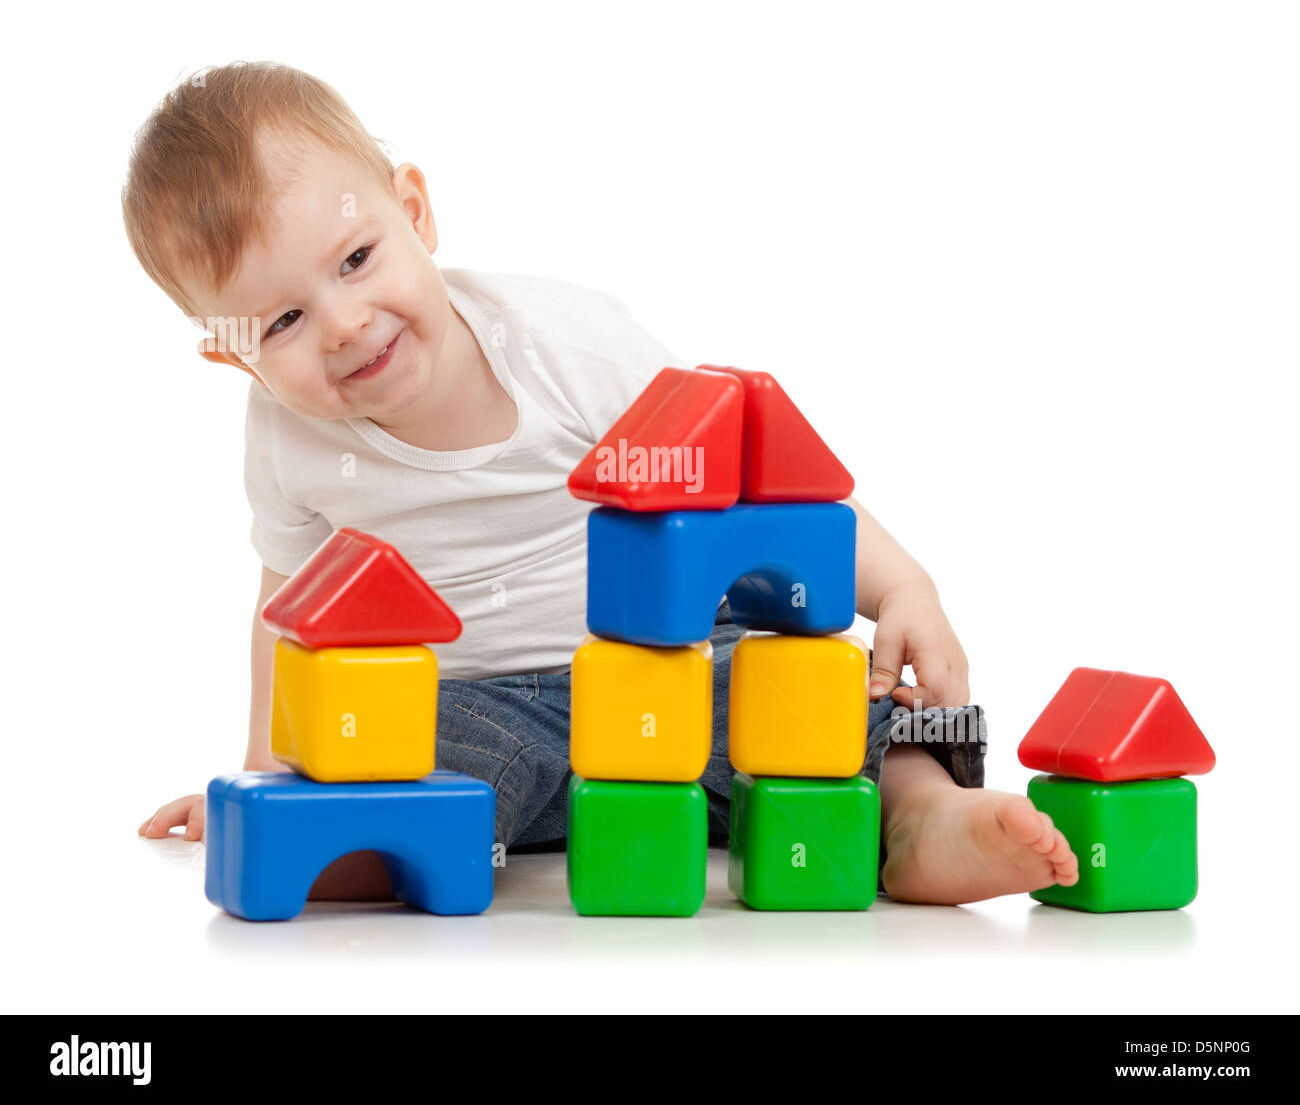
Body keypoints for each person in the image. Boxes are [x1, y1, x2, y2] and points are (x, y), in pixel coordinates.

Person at [124, 62, 1078, 905]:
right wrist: (267, 778)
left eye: (358, 260)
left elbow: (764, 479)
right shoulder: (285, 443)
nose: (342, 322)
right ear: (231, 355)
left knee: (822, 703)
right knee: (392, 768)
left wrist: (904, 586)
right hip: (476, 708)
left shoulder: (566, 350)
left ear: (413, 212)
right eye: (283, 319)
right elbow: (288, 607)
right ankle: (389, 849)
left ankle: (916, 820)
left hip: (675, 665)